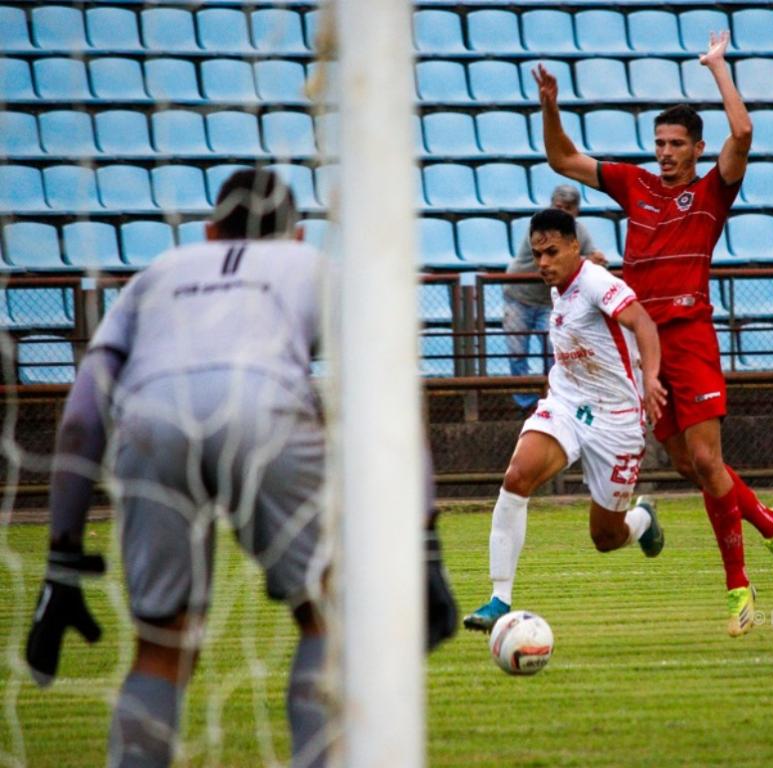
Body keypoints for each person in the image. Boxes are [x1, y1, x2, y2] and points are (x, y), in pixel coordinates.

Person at [23, 168, 457, 767]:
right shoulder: (312, 269)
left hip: (149, 421)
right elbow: (386, 391)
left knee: (161, 649)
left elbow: (79, 419)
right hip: (268, 412)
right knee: (328, 617)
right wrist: (424, 539)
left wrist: (62, 558)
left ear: (209, 230)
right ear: (297, 235)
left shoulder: (159, 272)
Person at [530, 31, 773, 638]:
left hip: (690, 338)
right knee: (687, 465)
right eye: (660, 143)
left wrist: (718, 69)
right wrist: (550, 108)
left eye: (677, 143)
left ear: (699, 148)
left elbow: (746, 134)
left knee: (707, 460)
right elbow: (563, 160)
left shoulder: (711, 192)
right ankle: (770, 523)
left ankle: (737, 587)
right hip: (641, 345)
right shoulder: (636, 186)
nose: (666, 152)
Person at [463, 207, 668, 632]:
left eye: (552, 252)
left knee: (606, 538)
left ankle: (643, 519)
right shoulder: (564, 279)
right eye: (537, 254)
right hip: (568, 404)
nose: (542, 263)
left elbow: (643, 323)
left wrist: (650, 379)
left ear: (574, 246)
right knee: (517, 477)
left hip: (617, 421)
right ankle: (499, 598)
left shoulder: (596, 282)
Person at [504, 185, 605, 410]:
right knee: (517, 352)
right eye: (559, 207)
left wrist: (593, 258)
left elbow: (589, 256)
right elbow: (573, 260)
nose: (563, 212)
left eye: (568, 208)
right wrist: (589, 259)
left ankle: (554, 398)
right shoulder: (538, 228)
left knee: (555, 352)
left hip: (548, 301)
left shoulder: (579, 231)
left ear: (576, 210)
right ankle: (526, 404)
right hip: (519, 296)